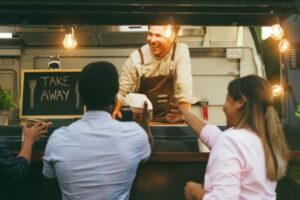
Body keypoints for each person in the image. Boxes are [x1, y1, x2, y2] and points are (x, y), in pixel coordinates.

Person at [43, 61, 153, 200]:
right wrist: (144, 125)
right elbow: (147, 147)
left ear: (81, 96)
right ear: (115, 94)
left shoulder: (58, 138)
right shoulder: (135, 134)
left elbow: (50, 188)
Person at [167, 75, 289, 200]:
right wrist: (185, 116)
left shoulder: (231, 141)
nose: (223, 107)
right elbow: (214, 136)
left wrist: (196, 192)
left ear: (240, 102)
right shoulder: (261, 139)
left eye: (227, 99)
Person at [113, 24, 197, 122]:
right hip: (143, 123)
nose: (152, 40)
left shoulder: (180, 51)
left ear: (172, 37)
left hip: (173, 120)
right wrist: (116, 110)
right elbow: (121, 92)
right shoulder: (136, 58)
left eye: (158, 35)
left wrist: (183, 117)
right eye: (150, 34)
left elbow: (184, 89)